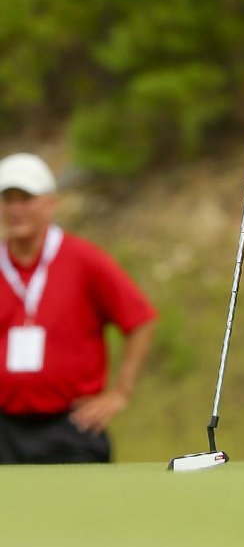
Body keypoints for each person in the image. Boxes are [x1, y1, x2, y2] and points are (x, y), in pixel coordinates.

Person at [0, 153, 157, 464]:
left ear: (49, 203)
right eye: (8, 199)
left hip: (70, 427)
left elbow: (141, 320)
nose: (16, 209)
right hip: (5, 428)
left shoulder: (84, 260)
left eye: (26, 198)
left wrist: (121, 392)